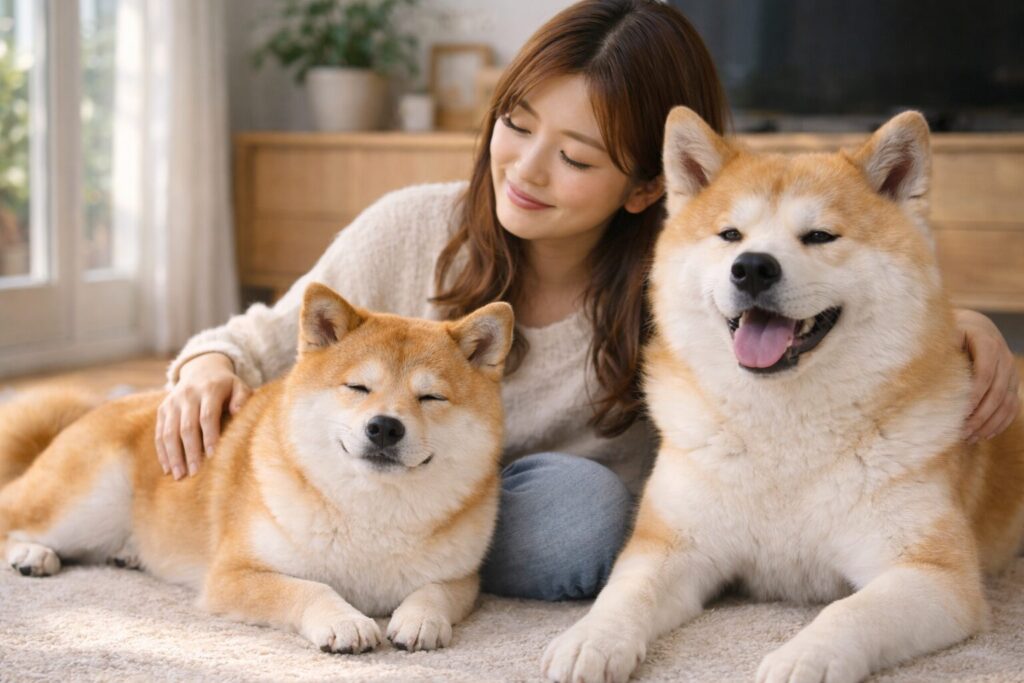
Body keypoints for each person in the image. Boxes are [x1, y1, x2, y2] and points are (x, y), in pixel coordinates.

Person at [156, 0, 1020, 601]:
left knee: (585, 520)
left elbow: (846, 304)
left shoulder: (685, 280)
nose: (526, 171)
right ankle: (393, 557)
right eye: (517, 124)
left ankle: (409, 562)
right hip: (379, 460)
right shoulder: (414, 225)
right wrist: (206, 362)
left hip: (514, 495)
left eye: (575, 158)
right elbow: (272, 334)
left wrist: (965, 327)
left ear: (649, 186)